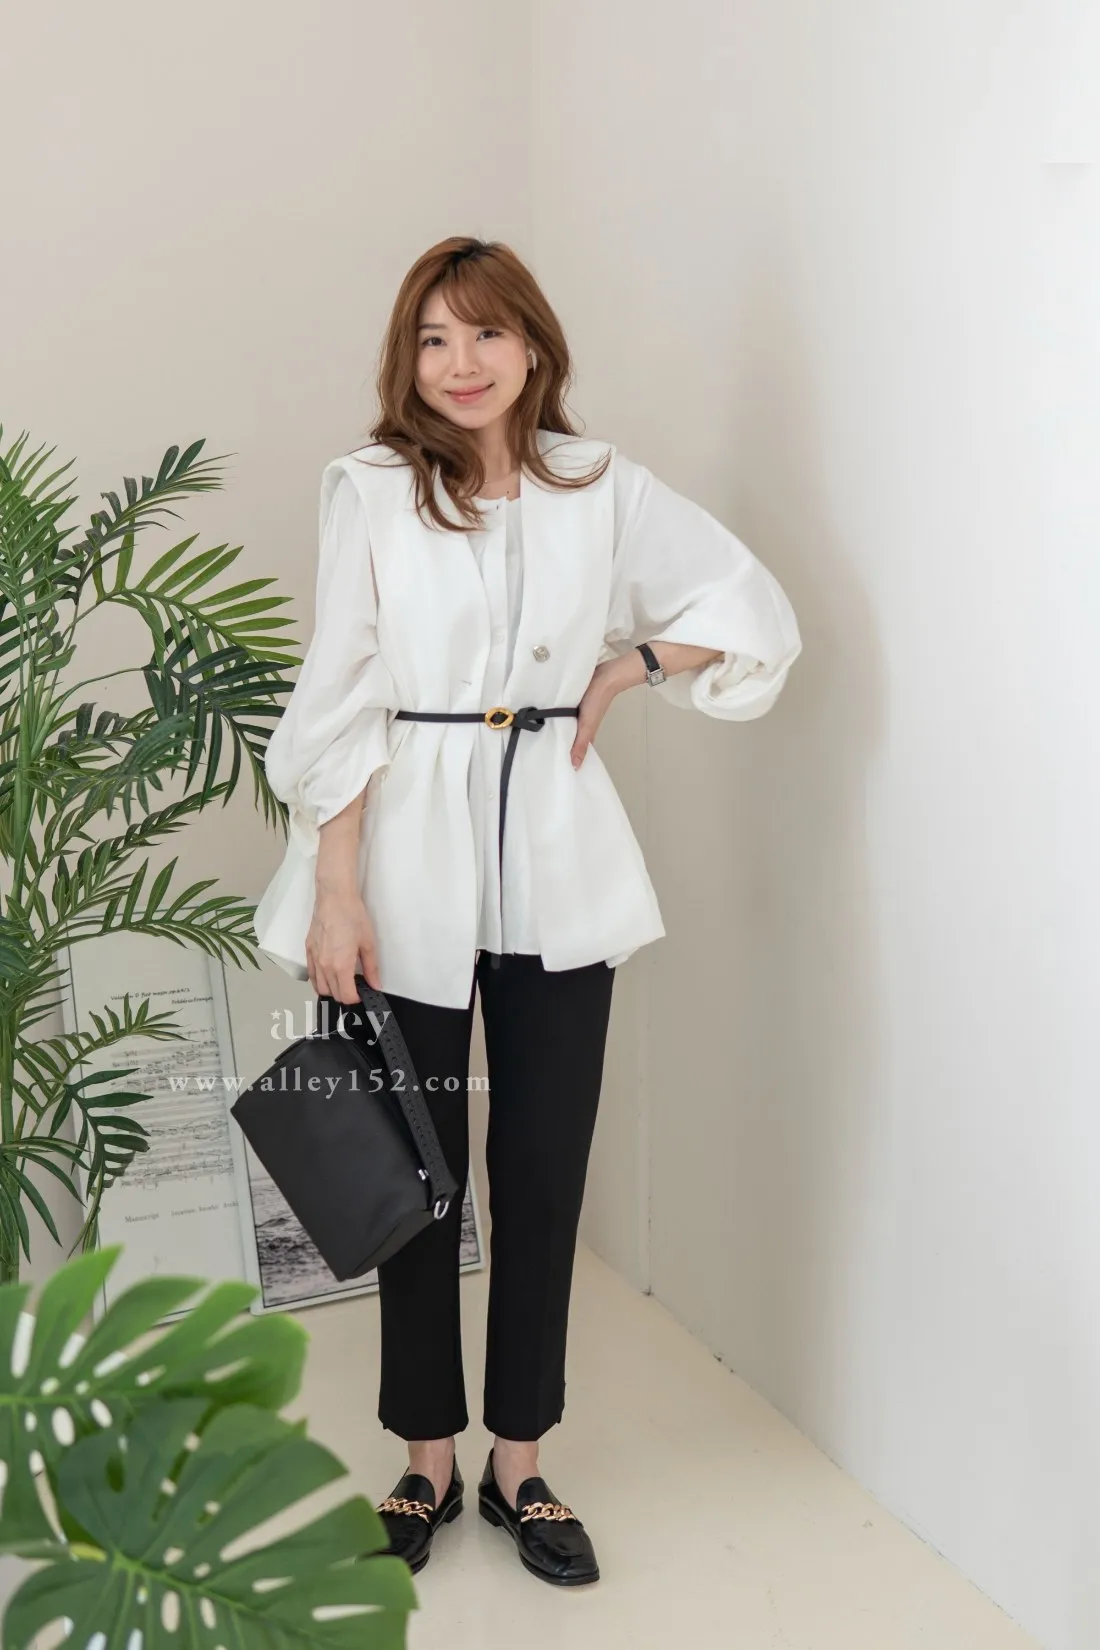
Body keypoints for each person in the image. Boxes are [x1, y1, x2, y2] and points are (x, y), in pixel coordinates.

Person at [253, 235, 802, 1587]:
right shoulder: (374, 491)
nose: (461, 363)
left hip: (559, 861)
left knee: (546, 1169)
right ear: (408, 357)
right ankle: (425, 1455)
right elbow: (341, 695)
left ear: (534, 345)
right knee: (414, 1176)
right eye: (434, 338)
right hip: (407, 863)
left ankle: (521, 1460)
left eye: (486, 333)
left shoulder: (598, 485)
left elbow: (752, 606)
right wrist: (336, 890)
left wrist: (631, 665)